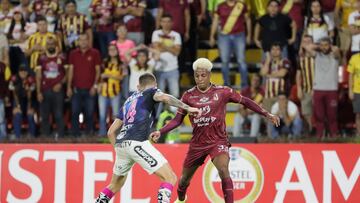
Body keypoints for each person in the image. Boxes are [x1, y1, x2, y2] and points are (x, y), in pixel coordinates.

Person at [150, 58, 280, 203]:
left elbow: (245, 101)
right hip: (197, 144)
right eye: (197, 76)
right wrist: (160, 131)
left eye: (203, 75)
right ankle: (181, 199)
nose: (199, 79)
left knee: (224, 170)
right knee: (183, 181)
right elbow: (177, 120)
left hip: (218, 141)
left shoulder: (223, 91)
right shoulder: (188, 95)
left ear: (209, 75)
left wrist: (266, 114)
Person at [95, 73, 202, 203]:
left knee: (114, 185)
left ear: (138, 86)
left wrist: (119, 151)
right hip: (137, 142)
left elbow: (111, 132)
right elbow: (165, 98)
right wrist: (187, 107)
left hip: (121, 145)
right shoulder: (152, 91)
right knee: (170, 178)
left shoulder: (128, 101)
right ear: (155, 85)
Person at [304, 37, 341, 138]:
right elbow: (307, 47)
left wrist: (327, 46)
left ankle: (334, 135)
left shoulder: (334, 55)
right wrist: (320, 46)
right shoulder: (317, 55)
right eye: (322, 45)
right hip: (318, 89)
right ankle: (320, 135)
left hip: (331, 89)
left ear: (330, 45)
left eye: (326, 45)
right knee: (319, 115)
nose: (324, 47)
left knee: (332, 115)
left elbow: (337, 49)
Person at [209, 0, 251, 87]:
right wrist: (212, 36)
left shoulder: (241, 5)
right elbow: (215, 21)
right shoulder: (220, 6)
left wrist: (249, 35)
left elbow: (248, 20)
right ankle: (226, 85)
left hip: (239, 35)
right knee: (224, 61)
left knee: (241, 61)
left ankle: (245, 85)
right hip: (224, 36)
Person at [67, 33, 101, 137]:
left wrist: (95, 86)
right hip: (76, 88)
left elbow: (98, 71)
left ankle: (89, 133)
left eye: (85, 39)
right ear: (78, 42)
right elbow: (71, 71)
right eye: (81, 40)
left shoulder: (95, 53)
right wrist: (69, 87)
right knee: (74, 112)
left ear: (88, 40)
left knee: (90, 113)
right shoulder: (73, 54)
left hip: (90, 89)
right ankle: (75, 134)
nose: (83, 42)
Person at [35, 36, 66, 138]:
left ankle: (61, 136)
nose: (51, 46)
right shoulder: (41, 58)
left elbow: (68, 74)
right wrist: (39, 92)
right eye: (48, 44)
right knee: (44, 115)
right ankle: (45, 136)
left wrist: (61, 83)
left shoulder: (62, 57)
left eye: (53, 44)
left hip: (58, 91)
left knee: (58, 114)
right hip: (45, 90)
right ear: (46, 46)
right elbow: (38, 76)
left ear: (56, 45)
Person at [98, 43, 125, 137]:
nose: (112, 51)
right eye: (110, 50)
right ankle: (102, 134)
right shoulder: (104, 62)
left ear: (117, 51)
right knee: (102, 115)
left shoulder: (121, 64)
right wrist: (98, 85)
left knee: (116, 115)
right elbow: (100, 76)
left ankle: (116, 134)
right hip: (103, 91)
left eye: (114, 49)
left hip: (115, 92)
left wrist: (109, 75)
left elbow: (122, 77)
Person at [152, 14, 181, 98]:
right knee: (159, 96)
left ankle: (173, 111)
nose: (166, 24)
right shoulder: (156, 33)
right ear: (160, 23)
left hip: (173, 69)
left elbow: (177, 52)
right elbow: (156, 49)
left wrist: (162, 45)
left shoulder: (176, 35)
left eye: (168, 21)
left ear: (172, 23)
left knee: (174, 95)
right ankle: (160, 111)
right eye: (164, 21)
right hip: (158, 69)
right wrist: (171, 47)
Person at [9, 64, 36, 139]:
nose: (23, 73)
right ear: (18, 72)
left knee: (31, 115)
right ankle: (17, 137)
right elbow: (14, 94)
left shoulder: (30, 79)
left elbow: (31, 96)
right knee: (17, 115)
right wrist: (17, 106)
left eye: (24, 71)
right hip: (17, 100)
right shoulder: (14, 78)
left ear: (27, 72)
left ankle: (32, 136)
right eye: (21, 71)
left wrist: (30, 107)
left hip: (28, 101)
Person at [296, 35, 315, 134]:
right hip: (306, 88)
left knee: (319, 112)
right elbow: (298, 75)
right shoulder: (301, 59)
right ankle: (311, 130)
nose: (307, 44)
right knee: (306, 112)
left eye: (309, 42)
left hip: (317, 88)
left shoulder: (317, 56)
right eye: (305, 42)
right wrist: (299, 88)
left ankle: (322, 132)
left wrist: (315, 88)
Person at [348, 48, 360, 136]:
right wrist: (350, 90)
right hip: (357, 91)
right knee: (358, 114)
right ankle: (359, 133)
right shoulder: (354, 58)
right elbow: (350, 75)